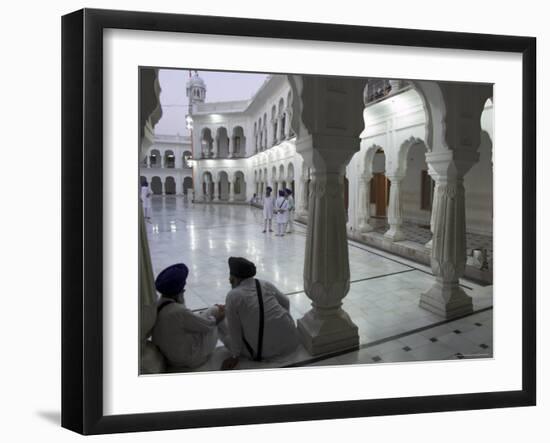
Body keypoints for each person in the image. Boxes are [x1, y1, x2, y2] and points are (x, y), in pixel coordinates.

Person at [219, 257, 299, 370]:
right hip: (292, 341)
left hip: (265, 352)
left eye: (230, 278)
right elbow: (285, 301)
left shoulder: (233, 295)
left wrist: (234, 356)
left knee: (218, 321)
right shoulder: (264, 283)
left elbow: (235, 332)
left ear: (234, 278)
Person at [151, 263, 225, 369]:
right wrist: (219, 316)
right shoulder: (178, 311)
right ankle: (235, 350)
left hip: (170, 356)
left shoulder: (159, 304)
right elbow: (208, 324)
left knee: (211, 310)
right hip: (188, 359)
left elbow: (189, 320)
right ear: (179, 292)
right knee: (217, 312)